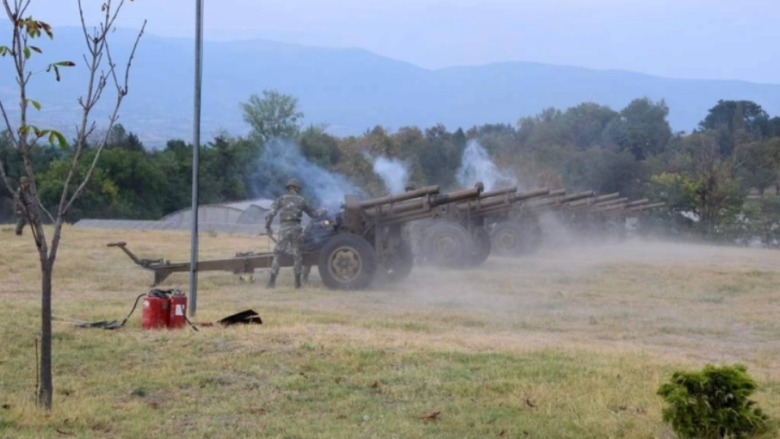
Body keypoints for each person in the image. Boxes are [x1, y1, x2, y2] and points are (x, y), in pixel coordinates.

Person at [264, 178, 317, 289]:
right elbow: (313, 214)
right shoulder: (302, 200)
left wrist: (268, 226)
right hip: (296, 229)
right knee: (297, 255)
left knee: (278, 254)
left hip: (283, 228)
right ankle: (297, 283)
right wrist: (321, 212)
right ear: (296, 188)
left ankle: (272, 282)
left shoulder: (281, 199)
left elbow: (270, 214)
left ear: (288, 187)